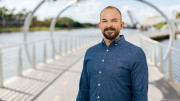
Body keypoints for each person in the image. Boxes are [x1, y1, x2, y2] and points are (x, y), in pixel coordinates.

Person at [76, 6, 148, 101]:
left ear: (121, 25)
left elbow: (140, 95)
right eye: (104, 21)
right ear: (100, 25)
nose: (109, 25)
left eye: (114, 21)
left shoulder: (136, 53)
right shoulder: (90, 52)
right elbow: (83, 90)